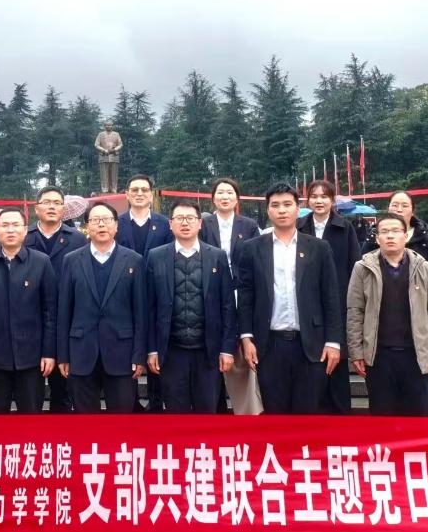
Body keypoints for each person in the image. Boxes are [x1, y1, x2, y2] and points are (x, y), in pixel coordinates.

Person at [237, 183, 344, 414]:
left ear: (298, 208)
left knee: (308, 414)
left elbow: (331, 296)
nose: (282, 210)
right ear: (268, 210)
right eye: (275, 205)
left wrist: (333, 342)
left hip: (311, 344)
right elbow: (246, 296)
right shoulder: (252, 248)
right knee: (275, 414)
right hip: (270, 344)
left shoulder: (319, 247)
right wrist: (246, 338)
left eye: (287, 204)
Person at [347, 213, 428, 416]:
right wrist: (356, 352)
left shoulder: (425, 269)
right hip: (379, 356)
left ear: (406, 235)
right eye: (384, 232)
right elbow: (355, 311)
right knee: (383, 418)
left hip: (416, 355)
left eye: (395, 231)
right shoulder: (362, 268)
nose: (390, 236)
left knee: (418, 418)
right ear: (377, 238)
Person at [145, 200, 237, 413]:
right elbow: (149, 308)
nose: (185, 223)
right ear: (170, 224)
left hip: (207, 351)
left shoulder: (217, 256)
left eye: (190, 218)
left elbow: (227, 306)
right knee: (176, 414)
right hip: (171, 351)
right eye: (179, 218)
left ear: (200, 223)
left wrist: (227, 348)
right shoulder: (156, 256)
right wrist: (152, 349)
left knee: (207, 412)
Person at [57, 202, 147, 413]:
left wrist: (139, 355)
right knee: (86, 422)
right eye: (95, 220)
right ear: (87, 226)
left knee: (121, 420)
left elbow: (140, 312)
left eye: (107, 220)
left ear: (116, 225)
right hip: (81, 353)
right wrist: (63, 355)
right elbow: (64, 311)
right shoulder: (71, 260)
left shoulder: (134, 260)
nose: (101, 225)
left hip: (122, 353)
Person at [0, 207, 57, 414]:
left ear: (25, 230)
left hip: (32, 358)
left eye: (16, 225)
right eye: (4, 225)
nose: (10, 230)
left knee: (31, 420)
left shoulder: (41, 262)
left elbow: (50, 312)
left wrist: (49, 352)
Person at [199, 177, 264, 415]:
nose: (225, 197)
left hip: (241, 291)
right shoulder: (204, 225)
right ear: (213, 198)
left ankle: (246, 408)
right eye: (220, 193)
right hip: (209, 292)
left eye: (229, 193)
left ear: (237, 198)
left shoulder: (249, 225)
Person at [297, 179, 361, 413]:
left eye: (324, 196)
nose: (319, 201)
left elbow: (355, 266)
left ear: (332, 200)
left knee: (337, 370)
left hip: (338, 303)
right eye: (314, 196)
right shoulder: (299, 227)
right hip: (307, 304)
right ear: (307, 201)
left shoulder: (345, 228)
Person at [24, 186, 87, 413]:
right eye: (46, 202)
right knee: (30, 391)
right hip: (30, 318)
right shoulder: (25, 236)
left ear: (64, 209)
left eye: (57, 203)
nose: (52, 207)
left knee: (63, 390)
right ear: (36, 208)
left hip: (65, 319)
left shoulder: (77, 239)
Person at [115, 174, 173, 412]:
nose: (139, 194)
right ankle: (130, 403)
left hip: (157, 294)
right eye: (134, 190)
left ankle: (156, 403)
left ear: (151, 194)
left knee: (155, 348)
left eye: (144, 190)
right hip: (123, 295)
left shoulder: (165, 224)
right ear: (126, 194)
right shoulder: (116, 223)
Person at [365, 191, 428, 325]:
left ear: (412, 211)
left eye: (405, 206)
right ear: (388, 209)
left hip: (421, 314)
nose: (399, 209)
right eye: (395, 205)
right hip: (380, 315)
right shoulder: (373, 239)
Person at [94, 121, 123, 193]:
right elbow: (96, 145)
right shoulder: (100, 134)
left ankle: (114, 188)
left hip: (114, 156)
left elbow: (120, 145)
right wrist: (104, 150)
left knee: (114, 174)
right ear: (105, 126)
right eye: (107, 125)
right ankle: (105, 189)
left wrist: (114, 150)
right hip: (103, 156)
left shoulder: (116, 134)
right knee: (104, 174)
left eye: (110, 125)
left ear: (112, 126)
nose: (108, 127)